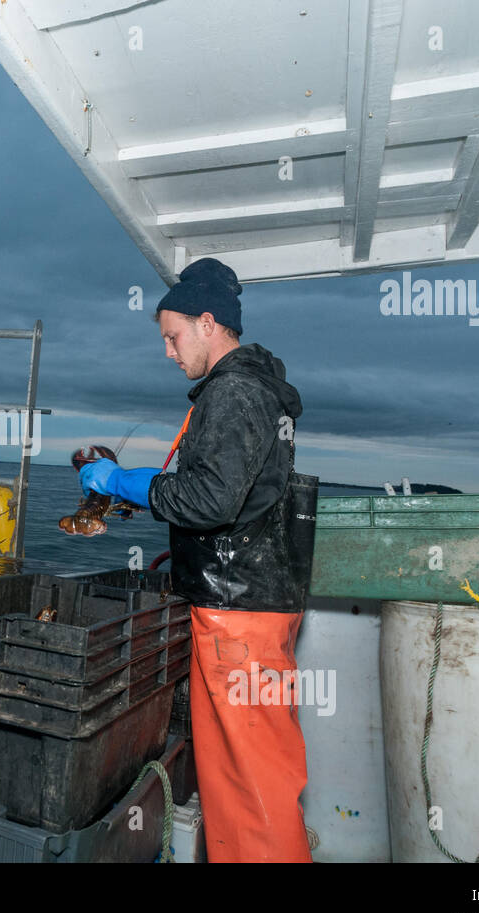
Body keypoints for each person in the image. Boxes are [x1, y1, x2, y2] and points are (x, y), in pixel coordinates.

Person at [80, 257, 313, 862]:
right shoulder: (248, 391)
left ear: (208, 323)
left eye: (172, 336)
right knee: (229, 785)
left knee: (256, 789)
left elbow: (210, 499)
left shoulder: (237, 391)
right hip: (238, 611)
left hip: (243, 621)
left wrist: (126, 483)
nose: (167, 351)